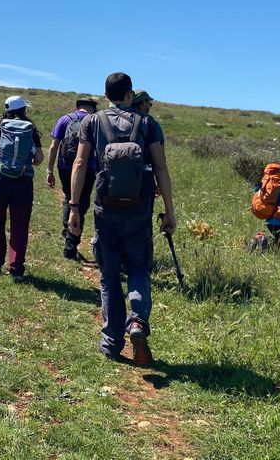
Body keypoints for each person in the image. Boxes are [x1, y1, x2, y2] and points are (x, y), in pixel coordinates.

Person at [68, 72, 176, 364]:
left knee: (109, 275)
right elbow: (161, 169)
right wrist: (169, 209)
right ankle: (138, 321)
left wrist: (74, 205)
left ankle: (112, 341)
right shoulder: (149, 123)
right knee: (139, 268)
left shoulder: (92, 122)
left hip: (106, 207)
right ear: (130, 95)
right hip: (139, 209)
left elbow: (80, 163)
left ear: (106, 96)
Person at [0, 95, 44, 282]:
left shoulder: (1, 125)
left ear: (7, 109)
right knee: (19, 225)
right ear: (24, 109)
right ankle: (16, 268)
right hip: (23, 183)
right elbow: (39, 158)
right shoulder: (31, 128)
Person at [46, 97, 98, 261]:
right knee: (80, 203)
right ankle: (71, 246)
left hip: (65, 166)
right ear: (92, 108)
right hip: (87, 168)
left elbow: (54, 146)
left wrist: (49, 170)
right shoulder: (95, 121)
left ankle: (67, 231)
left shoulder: (65, 119)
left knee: (69, 198)